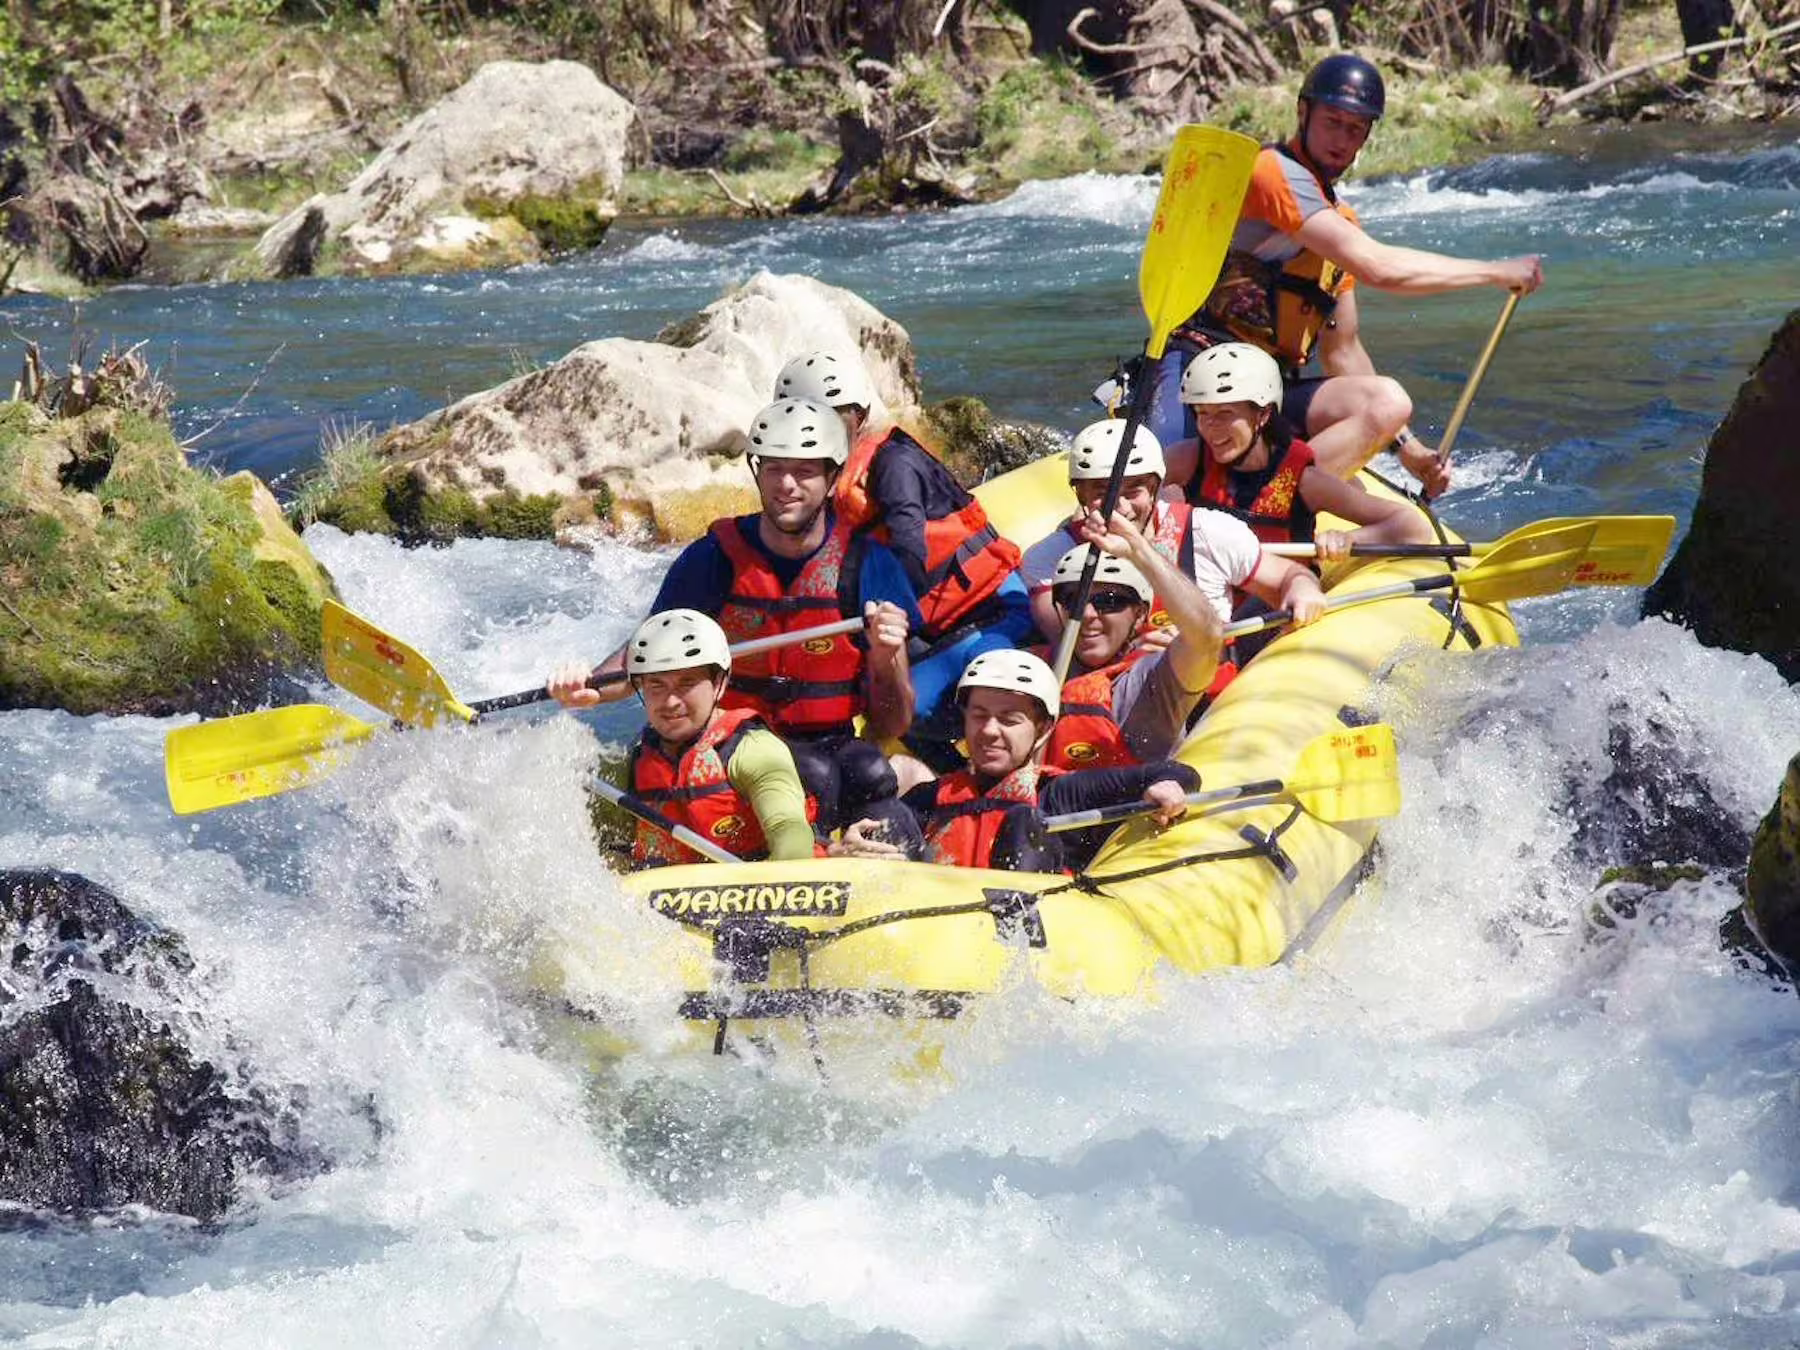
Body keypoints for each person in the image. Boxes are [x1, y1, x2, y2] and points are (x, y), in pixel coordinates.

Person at [1145, 52, 1544, 497]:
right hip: (1199, 372)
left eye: (1355, 128)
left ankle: (1272, 508)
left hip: (1265, 396)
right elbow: (1380, 268)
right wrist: (1493, 272)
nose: (1342, 138)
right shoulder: (1272, 174)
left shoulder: (1340, 225)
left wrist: (1407, 449)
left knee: (1386, 400)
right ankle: (1233, 505)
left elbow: (1344, 353)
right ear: (1303, 112)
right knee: (1161, 491)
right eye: (1332, 121)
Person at [552, 397, 917, 831]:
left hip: (829, 742)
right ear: (757, 472)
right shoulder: (713, 559)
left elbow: (892, 721)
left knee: (871, 774)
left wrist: (884, 655)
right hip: (726, 744)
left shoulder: (869, 563)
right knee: (811, 777)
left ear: (832, 478)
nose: (787, 485)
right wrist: (591, 687)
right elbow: (649, 648)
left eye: (804, 471)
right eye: (774, 469)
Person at [772, 351, 1034, 750]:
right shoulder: (815, 479)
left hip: (989, 610)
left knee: (914, 711)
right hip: (933, 622)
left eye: (828, 417)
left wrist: (873, 623)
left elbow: (909, 549)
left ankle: (982, 787)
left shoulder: (894, 464)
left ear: (857, 417)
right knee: (872, 698)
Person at [831, 651, 1201, 873]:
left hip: (1022, 945)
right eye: (979, 715)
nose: (990, 731)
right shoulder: (929, 799)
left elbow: (1177, 772)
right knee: (887, 811)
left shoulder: (1060, 794)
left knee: (1024, 821)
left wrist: (1166, 786)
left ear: (1043, 728)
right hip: (934, 939)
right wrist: (848, 850)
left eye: (1009, 720)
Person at [1024, 419, 1329, 651]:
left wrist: (1303, 589)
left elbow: (1288, 576)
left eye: (1134, 490)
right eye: (1101, 493)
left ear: (1156, 488)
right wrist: (1134, 653)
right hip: (1119, 692)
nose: (1120, 507)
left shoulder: (1209, 532)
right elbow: (1070, 648)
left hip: (1212, 684)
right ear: (1080, 494)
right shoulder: (1048, 559)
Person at [552, 609, 820, 867]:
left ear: (720, 684)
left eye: (687, 683)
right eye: (656, 685)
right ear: (640, 687)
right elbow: (605, 853)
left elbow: (791, 837)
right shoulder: (631, 762)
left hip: (749, 892)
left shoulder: (753, 750)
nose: (670, 702)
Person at [1165, 342, 1436, 556]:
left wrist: (1347, 539)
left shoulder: (1302, 481)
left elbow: (1412, 527)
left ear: (1263, 415)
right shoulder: (1186, 460)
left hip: (1280, 602)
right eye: (1202, 413)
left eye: (1225, 413)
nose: (1211, 427)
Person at [1042, 522, 1230, 772]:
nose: (1087, 614)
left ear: (1141, 615)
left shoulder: (1151, 677)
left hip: (1135, 806)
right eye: (1072, 601)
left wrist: (1138, 550)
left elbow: (1207, 636)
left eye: (1108, 601)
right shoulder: (1034, 671)